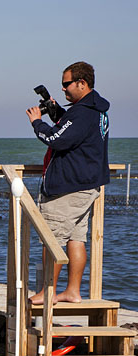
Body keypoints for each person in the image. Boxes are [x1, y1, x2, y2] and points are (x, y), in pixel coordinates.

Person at [26, 61, 110, 305]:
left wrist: (37, 122)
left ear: (82, 83)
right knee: (75, 239)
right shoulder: (93, 110)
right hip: (85, 186)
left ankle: (46, 293)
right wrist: (56, 111)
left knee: (51, 239)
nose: (63, 90)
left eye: (66, 84)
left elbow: (56, 139)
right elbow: (71, 130)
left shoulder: (82, 113)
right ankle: (72, 291)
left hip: (68, 189)